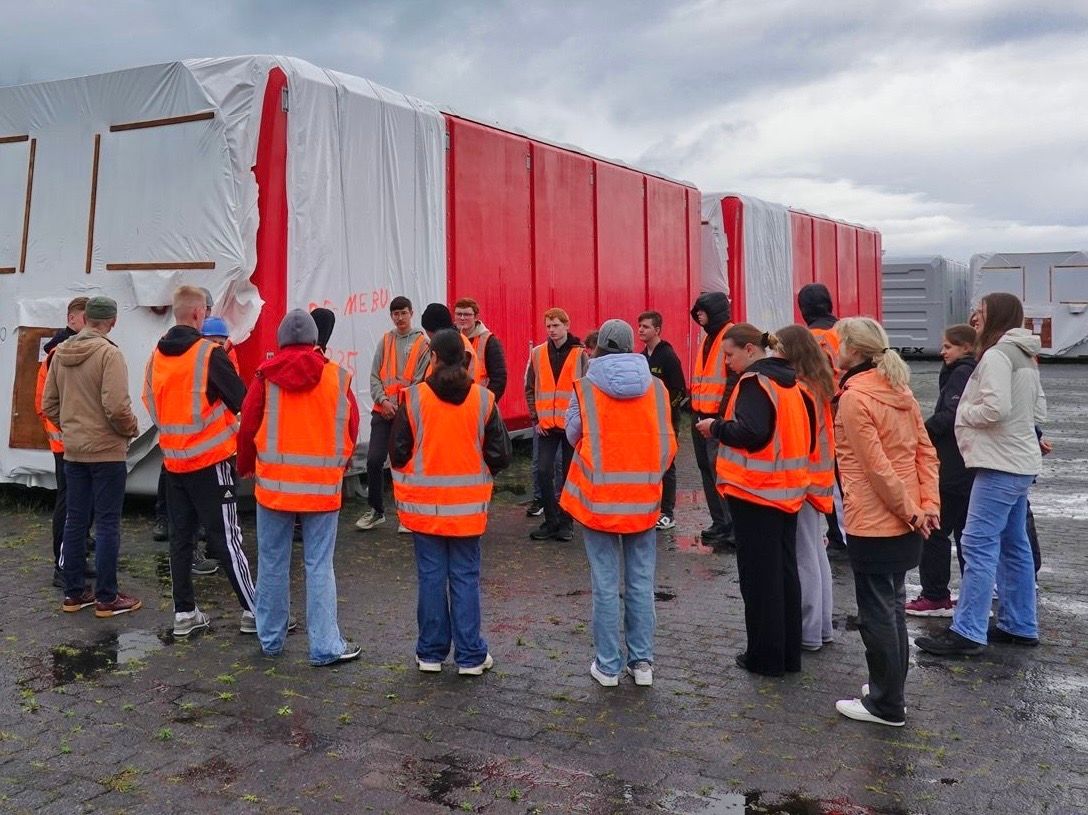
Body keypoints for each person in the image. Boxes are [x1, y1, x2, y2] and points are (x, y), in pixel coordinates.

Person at [917, 293, 1046, 656]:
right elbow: (1038, 408)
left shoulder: (995, 356)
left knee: (977, 543)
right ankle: (1020, 624)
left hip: (998, 464)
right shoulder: (1024, 354)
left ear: (997, 317)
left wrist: (964, 413)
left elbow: (994, 408)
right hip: (1019, 462)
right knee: (1014, 544)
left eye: (982, 313)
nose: (975, 317)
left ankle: (969, 631)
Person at [831, 317, 938, 727]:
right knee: (892, 606)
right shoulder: (899, 389)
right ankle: (889, 689)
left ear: (854, 351)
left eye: (840, 344)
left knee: (878, 612)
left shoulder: (856, 399)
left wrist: (916, 510)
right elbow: (925, 455)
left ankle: (886, 703)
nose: (835, 350)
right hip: (906, 518)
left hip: (876, 520)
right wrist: (926, 507)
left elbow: (876, 469)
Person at [238, 309, 361, 665]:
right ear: (314, 340)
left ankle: (271, 640)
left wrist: (246, 465)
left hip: (274, 488)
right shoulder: (337, 377)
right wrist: (343, 463)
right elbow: (351, 426)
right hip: (322, 488)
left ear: (281, 341)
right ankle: (325, 646)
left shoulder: (265, 376)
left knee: (273, 563)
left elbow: (248, 425)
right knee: (319, 565)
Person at [562, 319, 676, 687]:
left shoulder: (584, 388)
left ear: (600, 348)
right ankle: (642, 664)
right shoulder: (657, 389)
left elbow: (573, 434)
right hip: (642, 499)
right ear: (630, 347)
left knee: (606, 584)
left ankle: (608, 666)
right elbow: (668, 444)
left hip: (598, 500)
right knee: (641, 583)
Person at [390, 329, 510, 675]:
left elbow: (397, 453)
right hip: (468, 509)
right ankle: (471, 656)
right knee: (465, 577)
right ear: (464, 357)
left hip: (424, 507)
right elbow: (501, 455)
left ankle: (430, 653)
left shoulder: (412, 398)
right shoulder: (483, 399)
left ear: (435, 357)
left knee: (430, 577)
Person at [696, 324, 812, 677]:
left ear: (750, 350)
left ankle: (764, 657)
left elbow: (751, 431)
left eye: (729, 355)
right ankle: (788, 654)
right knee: (784, 575)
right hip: (787, 491)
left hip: (755, 492)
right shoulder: (792, 384)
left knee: (760, 580)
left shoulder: (754, 383)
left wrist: (714, 428)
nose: (727, 363)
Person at [143, 286, 257, 637]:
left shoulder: (156, 356)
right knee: (227, 539)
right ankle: (256, 612)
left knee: (181, 539)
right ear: (198, 315)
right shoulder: (209, 355)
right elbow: (244, 402)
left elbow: (149, 400)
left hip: (175, 462)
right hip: (211, 462)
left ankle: (185, 613)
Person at [43, 296, 141, 617]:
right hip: (107, 452)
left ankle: (73, 593)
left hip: (74, 453)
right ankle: (107, 597)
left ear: (85, 320)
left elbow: (49, 406)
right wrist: (130, 429)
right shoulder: (109, 354)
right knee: (108, 523)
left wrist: (71, 429)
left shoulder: (59, 354)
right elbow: (116, 406)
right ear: (111, 321)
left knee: (75, 520)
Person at [906, 324, 977, 617]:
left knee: (935, 531)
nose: (942, 351)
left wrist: (920, 433)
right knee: (964, 533)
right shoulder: (971, 370)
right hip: (968, 463)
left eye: (948, 346)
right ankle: (973, 595)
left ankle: (935, 595)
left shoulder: (961, 372)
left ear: (965, 348)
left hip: (952, 465)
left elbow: (950, 415)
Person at [775, 325, 836, 652]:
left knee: (804, 557)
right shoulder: (819, 384)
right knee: (816, 554)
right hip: (819, 478)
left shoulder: (799, 389)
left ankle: (808, 631)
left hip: (802, 480)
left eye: (778, 347)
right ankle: (821, 627)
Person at [356, 297, 430, 531]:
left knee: (404, 464)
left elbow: (421, 379)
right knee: (374, 460)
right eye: (395, 314)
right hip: (383, 412)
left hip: (405, 414)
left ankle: (407, 513)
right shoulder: (385, 340)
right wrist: (384, 401)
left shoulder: (422, 343)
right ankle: (376, 510)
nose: (399, 318)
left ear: (411, 313)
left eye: (403, 313)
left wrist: (398, 406)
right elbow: (375, 375)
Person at [36, 296, 93, 588]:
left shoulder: (82, 350)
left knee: (82, 504)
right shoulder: (57, 354)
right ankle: (63, 565)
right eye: (86, 318)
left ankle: (76, 558)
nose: (91, 324)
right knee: (69, 503)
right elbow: (44, 404)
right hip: (67, 445)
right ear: (72, 319)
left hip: (81, 442)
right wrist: (66, 431)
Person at [525, 308, 588, 542]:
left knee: (568, 477)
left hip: (571, 426)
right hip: (547, 425)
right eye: (548, 326)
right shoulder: (538, 353)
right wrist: (535, 419)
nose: (552, 330)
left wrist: (582, 423)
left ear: (566, 325)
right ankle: (551, 520)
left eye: (556, 326)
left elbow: (587, 390)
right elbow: (530, 388)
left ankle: (566, 522)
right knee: (543, 471)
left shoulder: (580, 355)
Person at [797, 282, 847, 551]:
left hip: (827, 413)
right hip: (851, 408)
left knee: (834, 479)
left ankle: (841, 538)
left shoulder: (812, 338)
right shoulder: (845, 331)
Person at [689, 292, 735, 548]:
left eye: (702, 311)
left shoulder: (728, 337)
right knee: (707, 471)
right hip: (700, 414)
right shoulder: (708, 339)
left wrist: (723, 412)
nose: (698, 315)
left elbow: (733, 377)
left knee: (721, 472)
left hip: (716, 418)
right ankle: (720, 522)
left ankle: (731, 526)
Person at [637, 310, 687, 531]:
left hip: (665, 422)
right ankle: (652, 507)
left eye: (645, 327)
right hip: (646, 422)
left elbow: (679, 389)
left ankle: (667, 512)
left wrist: (667, 413)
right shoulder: (641, 357)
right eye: (639, 326)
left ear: (657, 330)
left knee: (667, 465)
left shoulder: (667, 356)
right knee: (649, 464)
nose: (641, 330)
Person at [454, 298, 508, 400]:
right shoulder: (449, 338)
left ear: (476, 317)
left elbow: (499, 378)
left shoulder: (489, 341)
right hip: (454, 403)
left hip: (479, 401)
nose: (462, 318)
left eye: (467, 314)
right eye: (459, 314)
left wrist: (487, 403)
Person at [421, 303, 479, 379]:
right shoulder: (455, 342)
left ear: (434, 332)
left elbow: (452, 384)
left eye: (426, 331)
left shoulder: (454, 347)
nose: (427, 335)